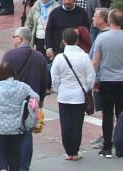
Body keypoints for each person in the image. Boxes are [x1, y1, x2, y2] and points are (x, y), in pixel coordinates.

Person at [91, 8, 123, 159]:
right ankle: (121, 145)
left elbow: (96, 61)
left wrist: (93, 78)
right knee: (121, 113)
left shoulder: (102, 39)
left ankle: (106, 146)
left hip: (106, 80)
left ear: (110, 21)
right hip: (122, 79)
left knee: (107, 114)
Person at [50, 28, 95, 161]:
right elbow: (91, 77)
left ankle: (68, 151)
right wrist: (86, 88)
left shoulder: (59, 58)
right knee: (77, 124)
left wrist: (59, 89)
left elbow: (55, 78)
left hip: (64, 94)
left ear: (63, 40)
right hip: (79, 95)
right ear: (76, 40)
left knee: (65, 123)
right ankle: (75, 150)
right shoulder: (84, 57)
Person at [0, 61, 39, 171]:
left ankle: (2, 168)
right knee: (15, 153)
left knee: (0, 151)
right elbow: (35, 97)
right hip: (17, 126)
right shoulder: (22, 87)